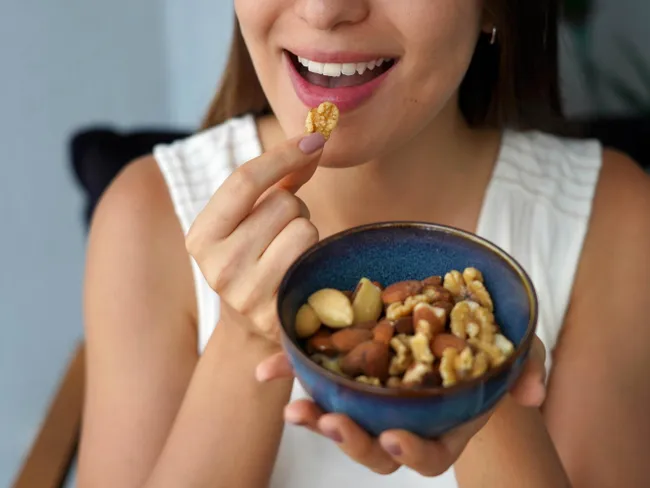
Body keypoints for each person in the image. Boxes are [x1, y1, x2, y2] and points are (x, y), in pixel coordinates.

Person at [77, 1, 650, 487]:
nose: (324, 10)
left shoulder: (612, 216)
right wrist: (244, 336)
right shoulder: (146, 215)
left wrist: (484, 381)